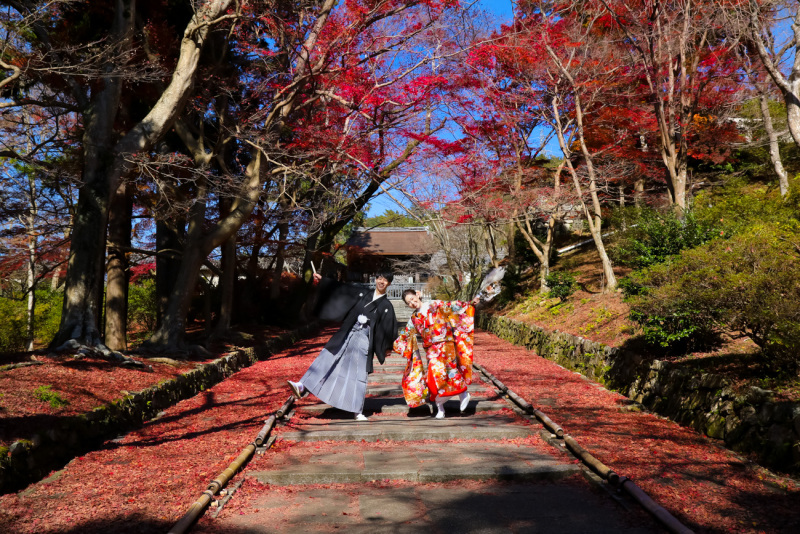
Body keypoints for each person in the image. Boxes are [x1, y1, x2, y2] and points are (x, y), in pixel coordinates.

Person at [287, 271, 397, 421]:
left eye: (385, 280)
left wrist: (387, 347)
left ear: (389, 283)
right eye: (380, 278)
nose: (381, 281)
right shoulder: (364, 293)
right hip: (348, 331)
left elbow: (388, 327)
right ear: (376, 279)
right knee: (327, 356)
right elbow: (344, 290)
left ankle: (357, 410)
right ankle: (302, 385)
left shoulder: (386, 305)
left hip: (364, 338)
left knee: (357, 374)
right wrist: (325, 281)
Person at [393, 290, 479, 419]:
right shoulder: (414, 318)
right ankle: (446, 404)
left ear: (417, 294)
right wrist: (395, 345)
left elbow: (451, 306)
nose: (412, 303)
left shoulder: (434, 304)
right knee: (433, 379)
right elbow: (406, 333)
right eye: (408, 302)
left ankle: (455, 398)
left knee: (448, 372)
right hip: (431, 349)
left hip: (445, 344)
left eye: (412, 298)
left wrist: (470, 303)